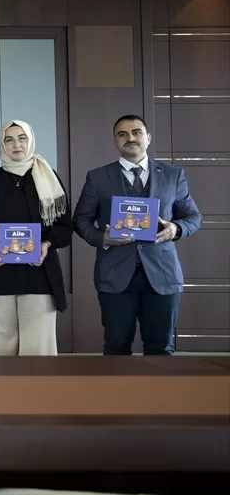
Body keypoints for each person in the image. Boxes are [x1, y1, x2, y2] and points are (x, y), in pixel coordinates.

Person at [74, 115, 202, 355]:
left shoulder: (173, 175)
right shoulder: (98, 177)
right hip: (115, 275)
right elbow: (81, 220)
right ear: (115, 141)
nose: (130, 138)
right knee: (116, 348)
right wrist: (102, 239)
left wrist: (175, 229)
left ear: (148, 137)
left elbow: (193, 217)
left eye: (136, 132)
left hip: (162, 275)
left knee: (161, 349)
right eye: (122, 134)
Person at [0, 121, 73, 356]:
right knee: (1, 349)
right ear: (2, 145)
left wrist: (46, 244)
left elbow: (64, 225)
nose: (16, 144)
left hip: (39, 273)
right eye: (9, 140)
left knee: (39, 351)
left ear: (30, 141)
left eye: (22, 138)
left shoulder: (48, 177)